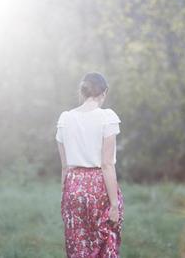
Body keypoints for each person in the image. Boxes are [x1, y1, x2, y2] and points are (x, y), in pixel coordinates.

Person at [55, 71, 124, 258]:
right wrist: (115, 205)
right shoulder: (106, 118)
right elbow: (107, 165)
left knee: (78, 246)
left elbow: (64, 166)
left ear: (82, 92)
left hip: (73, 186)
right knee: (103, 245)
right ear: (105, 92)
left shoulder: (65, 119)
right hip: (98, 188)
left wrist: (66, 194)